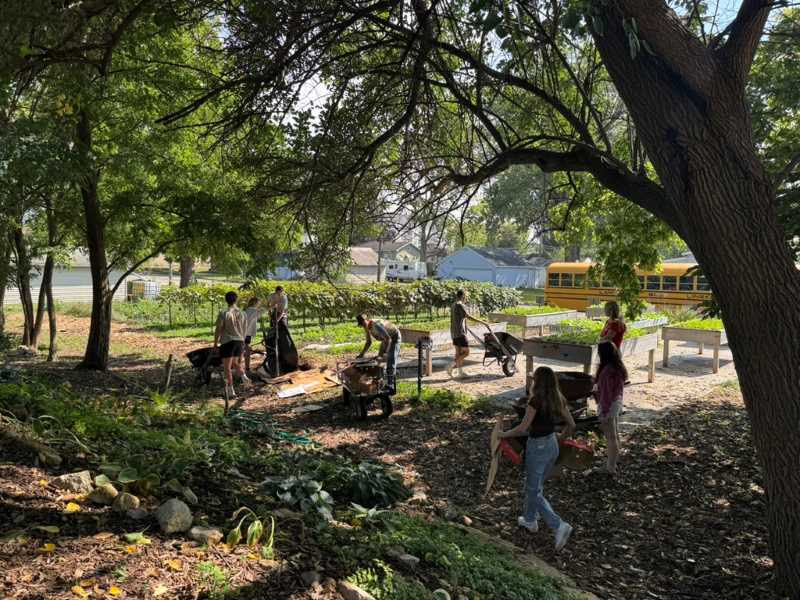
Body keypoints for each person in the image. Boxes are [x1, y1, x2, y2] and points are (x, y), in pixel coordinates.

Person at [498, 366, 575, 552]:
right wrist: (560, 438)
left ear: (537, 382)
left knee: (533, 490)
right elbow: (571, 425)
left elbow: (523, 428)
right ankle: (530, 520)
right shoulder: (558, 399)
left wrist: (503, 434)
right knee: (536, 485)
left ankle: (559, 525)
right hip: (552, 446)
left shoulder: (535, 401)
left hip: (538, 447)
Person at [594, 341, 627, 476]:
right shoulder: (618, 367)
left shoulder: (608, 371)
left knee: (610, 437)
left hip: (609, 405)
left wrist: (604, 411)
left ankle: (610, 467)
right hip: (616, 402)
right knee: (615, 434)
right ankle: (613, 460)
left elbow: (606, 394)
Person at [214, 290, 249, 400]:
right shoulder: (242, 313)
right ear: (236, 300)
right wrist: (242, 341)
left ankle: (231, 391)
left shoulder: (224, 313)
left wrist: (215, 343)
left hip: (228, 341)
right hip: (239, 341)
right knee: (234, 362)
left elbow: (219, 328)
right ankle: (243, 376)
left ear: (226, 300)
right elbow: (245, 329)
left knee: (227, 368)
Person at [448, 289, 491, 379]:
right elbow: (468, 316)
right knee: (466, 352)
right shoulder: (460, 305)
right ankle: (451, 366)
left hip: (454, 332)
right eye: (466, 296)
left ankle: (460, 372)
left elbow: (458, 319)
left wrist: (466, 326)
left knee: (458, 353)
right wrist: (483, 322)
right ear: (463, 295)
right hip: (460, 333)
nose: (466, 298)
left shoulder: (453, 305)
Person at [356, 314, 401, 394]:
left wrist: (385, 353)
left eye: (363, 323)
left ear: (366, 320)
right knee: (378, 362)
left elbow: (388, 339)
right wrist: (361, 354)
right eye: (361, 325)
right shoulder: (367, 328)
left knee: (390, 361)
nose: (363, 326)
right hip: (385, 340)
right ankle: (381, 384)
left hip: (394, 337)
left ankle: (391, 387)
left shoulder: (376, 324)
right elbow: (369, 342)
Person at [243, 296, 263, 373]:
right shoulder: (254, 311)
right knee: (246, 350)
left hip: (242, 332)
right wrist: (272, 306)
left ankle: (242, 367)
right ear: (255, 303)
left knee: (243, 349)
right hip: (246, 333)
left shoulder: (246, 310)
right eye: (258, 303)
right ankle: (246, 368)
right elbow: (263, 311)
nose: (259, 305)